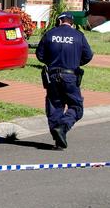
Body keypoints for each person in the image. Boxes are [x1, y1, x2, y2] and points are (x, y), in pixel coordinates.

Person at [36, 11, 94, 149]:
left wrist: (52, 62)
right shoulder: (79, 36)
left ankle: (58, 137)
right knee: (76, 107)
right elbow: (88, 55)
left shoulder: (50, 34)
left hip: (52, 76)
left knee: (55, 106)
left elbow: (40, 55)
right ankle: (62, 127)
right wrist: (75, 62)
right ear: (71, 23)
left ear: (60, 21)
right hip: (70, 76)